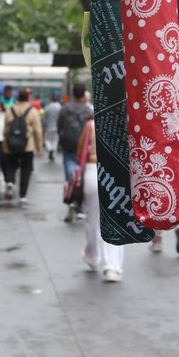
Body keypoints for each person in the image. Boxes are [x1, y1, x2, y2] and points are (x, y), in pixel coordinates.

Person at [79, 118, 124, 282]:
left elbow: (80, 151)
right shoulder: (123, 120)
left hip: (93, 169)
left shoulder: (90, 124)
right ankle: (112, 266)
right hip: (116, 170)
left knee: (92, 219)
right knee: (115, 219)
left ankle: (92, 255)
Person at [58, 83, 93, 221]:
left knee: (70, 174)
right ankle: (79, 207)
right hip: (83, 149)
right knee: (82, 175)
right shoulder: (88, 111)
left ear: (72, 94)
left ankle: (70, 200)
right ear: (84, 94)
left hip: (68, 146)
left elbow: (59, 125)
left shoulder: (65, 109)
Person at [3, 88, 43, 206]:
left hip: (11, 144)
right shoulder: (33, 111)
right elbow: (38, 131)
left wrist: (5, 144)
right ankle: (23, 195)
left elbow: (5, 129)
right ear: (28, 98)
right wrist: (39, 147)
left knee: (11, 165)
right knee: (26, 169)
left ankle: (10, 182)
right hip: (27, 146)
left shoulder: (10, 110)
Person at [42, 94, 61, 161]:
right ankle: (53, 149)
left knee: (47, 140)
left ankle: (50, 149)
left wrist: (43, 126)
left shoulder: (47, 107)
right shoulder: (59, 107)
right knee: (55, 140)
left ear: (51, 99)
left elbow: (44, 118)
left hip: (48, 127)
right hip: (57, 127)